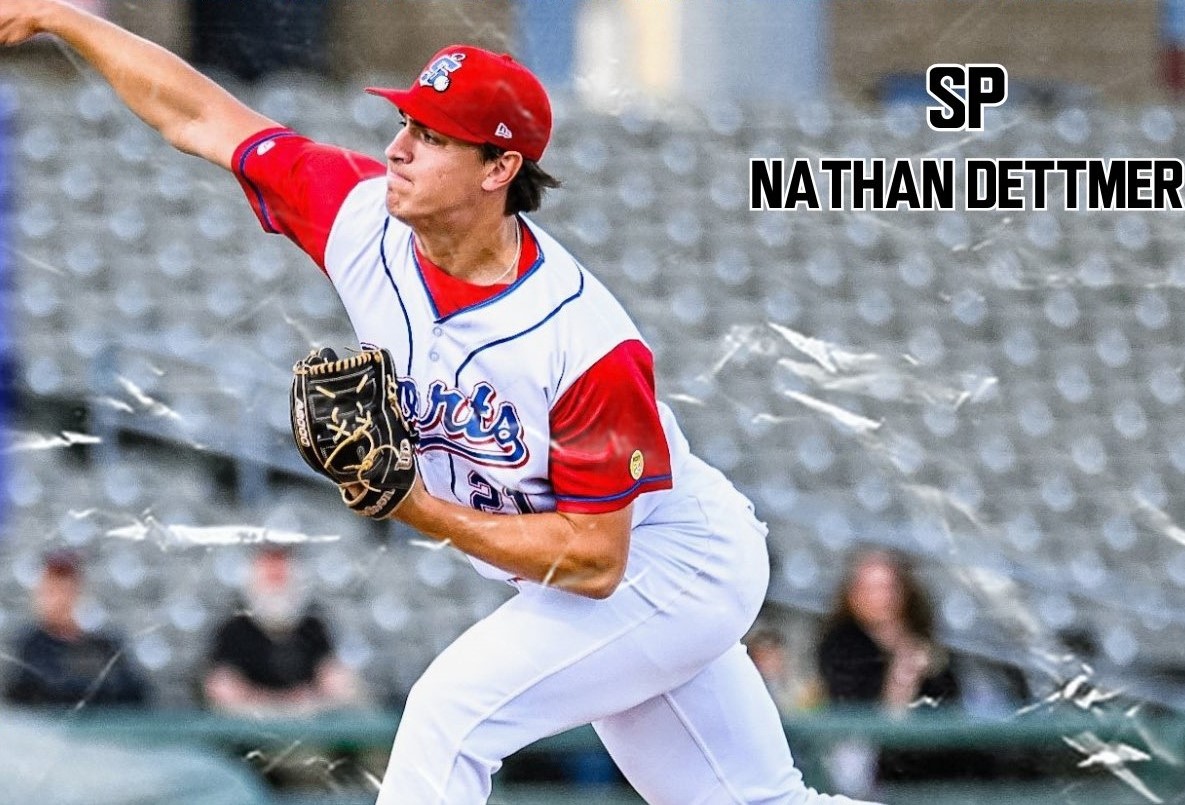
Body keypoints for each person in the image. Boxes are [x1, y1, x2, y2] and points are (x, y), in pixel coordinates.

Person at [0, 4, 882, 802]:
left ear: (500, 164)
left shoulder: (583, 343)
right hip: (604, 566)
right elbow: (202, 115)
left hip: (669, 564)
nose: (397, 148)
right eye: (403, 123)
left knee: (449, 716)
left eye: (431, 136)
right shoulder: (361, 223)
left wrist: (415, 504)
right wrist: (65, 19)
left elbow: (592, 562)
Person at [814, 548, 961, 796]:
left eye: (887, 588)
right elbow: (860, 713)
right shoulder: (841, 644)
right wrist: (903, 676)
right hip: (873, 761)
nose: (880, 598)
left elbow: (951, 700)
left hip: (933, 757)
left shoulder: (923, 638)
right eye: (869, 588)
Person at [202, 545, 365, 716]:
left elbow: (338, 684)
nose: (276, 589)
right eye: (269, 580)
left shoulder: (313, 628)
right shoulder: (233, 631)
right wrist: (275, 704)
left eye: (282, 579)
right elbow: (221, 690)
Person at [4, 549, 150, 707]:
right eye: (51, 592)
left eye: (64, 590)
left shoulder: (104, 644)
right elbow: (34, 690)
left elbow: (132, 692)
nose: (59, 600)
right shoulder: (31, 645)